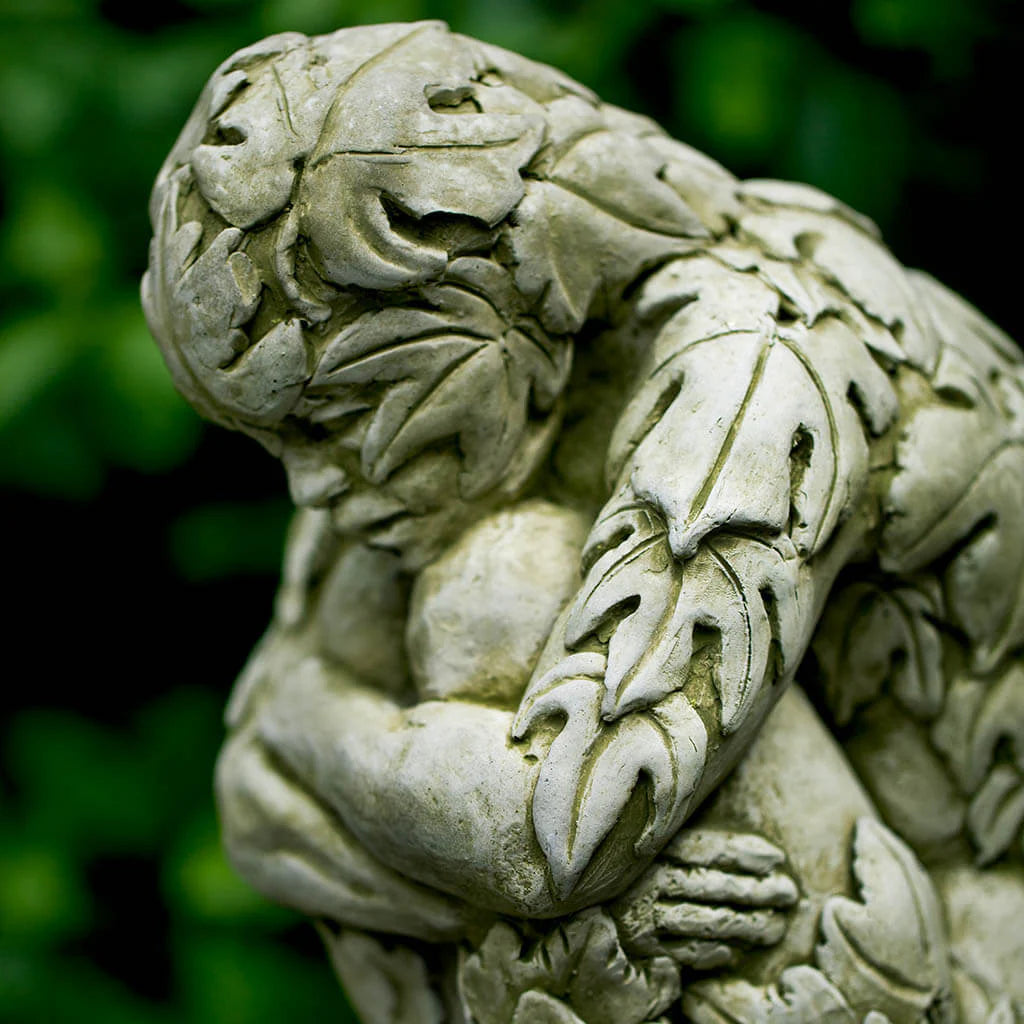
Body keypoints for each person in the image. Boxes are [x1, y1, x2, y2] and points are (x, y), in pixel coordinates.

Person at [144, 22, 1024, 1022]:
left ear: (482, 285)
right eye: (277, 443)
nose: (312, 488)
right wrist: (510, 896)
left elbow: (549, 836)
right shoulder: (449, 449)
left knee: (502, 590)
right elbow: (254, 813)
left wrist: (305, 713)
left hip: (976, 952)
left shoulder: (756, 363)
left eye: (335, 415)